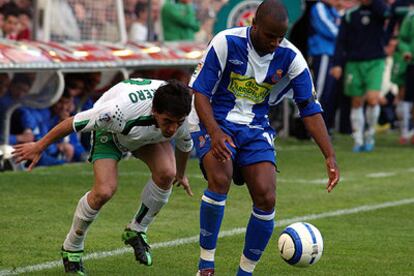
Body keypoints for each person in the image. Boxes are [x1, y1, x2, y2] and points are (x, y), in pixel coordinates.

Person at [189, 1, 340, 275]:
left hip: (256, 127)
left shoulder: (292, 58)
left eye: (280, 37)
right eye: (270, 36)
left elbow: (309, 107)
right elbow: (200, 93)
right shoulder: (225, 42)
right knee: (220, 178)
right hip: (214, 120)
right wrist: (214, 131)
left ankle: (245, 272)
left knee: (266, 197)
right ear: (254, 25)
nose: (275, 42)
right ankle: (206, 266)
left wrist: (329, 154)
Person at [12, 79, 194, 275]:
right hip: (110, 133)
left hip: (144, 134)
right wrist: (39, 146)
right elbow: (72, 123)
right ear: (154, 111)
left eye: (178, 123)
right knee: (104, 191)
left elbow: (185, 145)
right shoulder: (116, 112)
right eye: (168, 121)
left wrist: (181, 175)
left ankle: (137, 230)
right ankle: (71, 248)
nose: (173, 129)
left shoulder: (183, 115)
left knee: (167, 173)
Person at [331, 0, 390, 152]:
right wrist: (337, 63)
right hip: (354, 62)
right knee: (356, 101)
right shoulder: (350, 14)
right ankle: (358, 138)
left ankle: (370, 134)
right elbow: (341, 41)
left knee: (372, 99)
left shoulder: (379, 9)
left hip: (375, 61)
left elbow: (387, 14)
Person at [308, 0, 341, 135]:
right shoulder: (319, 7)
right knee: (320, 91)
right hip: (322, 53)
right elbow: (330, 28)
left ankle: (324, 128)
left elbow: (340, 23)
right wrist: (346, 37)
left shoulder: (332, 9)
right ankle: (312, 129)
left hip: (332, 53)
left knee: (329, 92)